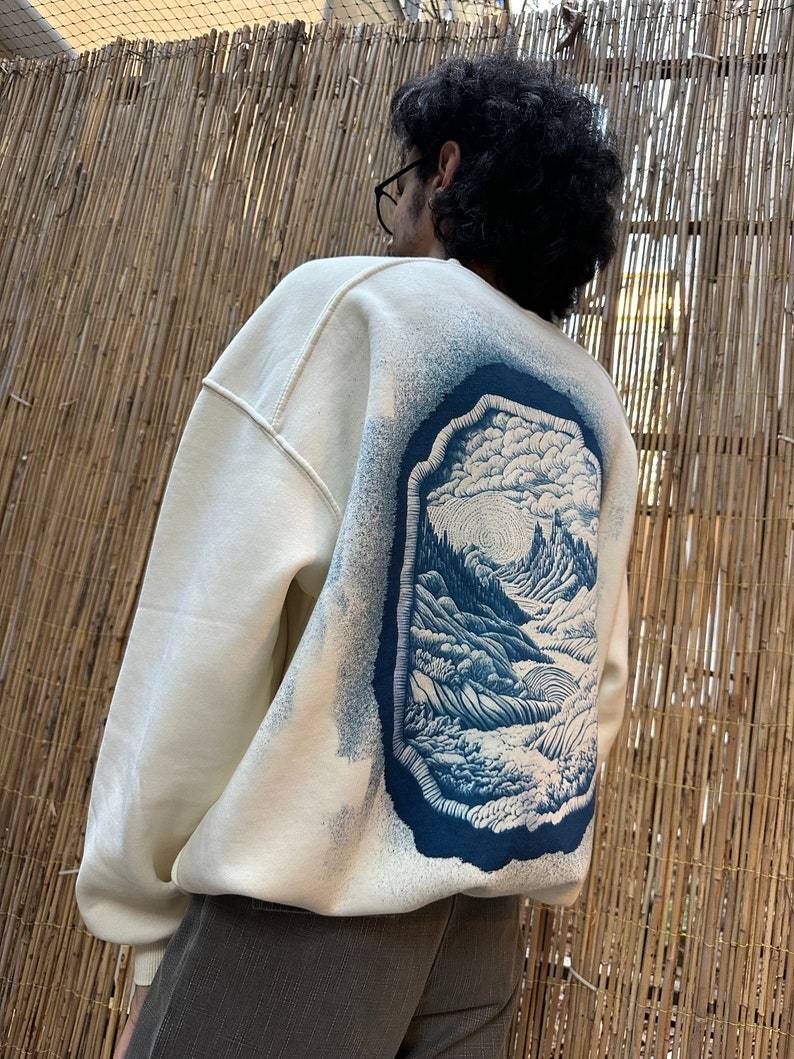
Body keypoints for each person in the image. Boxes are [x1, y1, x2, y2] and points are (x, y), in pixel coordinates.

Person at [76, 49, 638, 1059]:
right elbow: (593, 680)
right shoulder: (594, 406)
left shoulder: (356, 309)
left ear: (447, 171)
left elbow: (203, 634)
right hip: (482, 934)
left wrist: (147, 933)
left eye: (402, 184)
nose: (394, 219)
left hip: (296, 927)